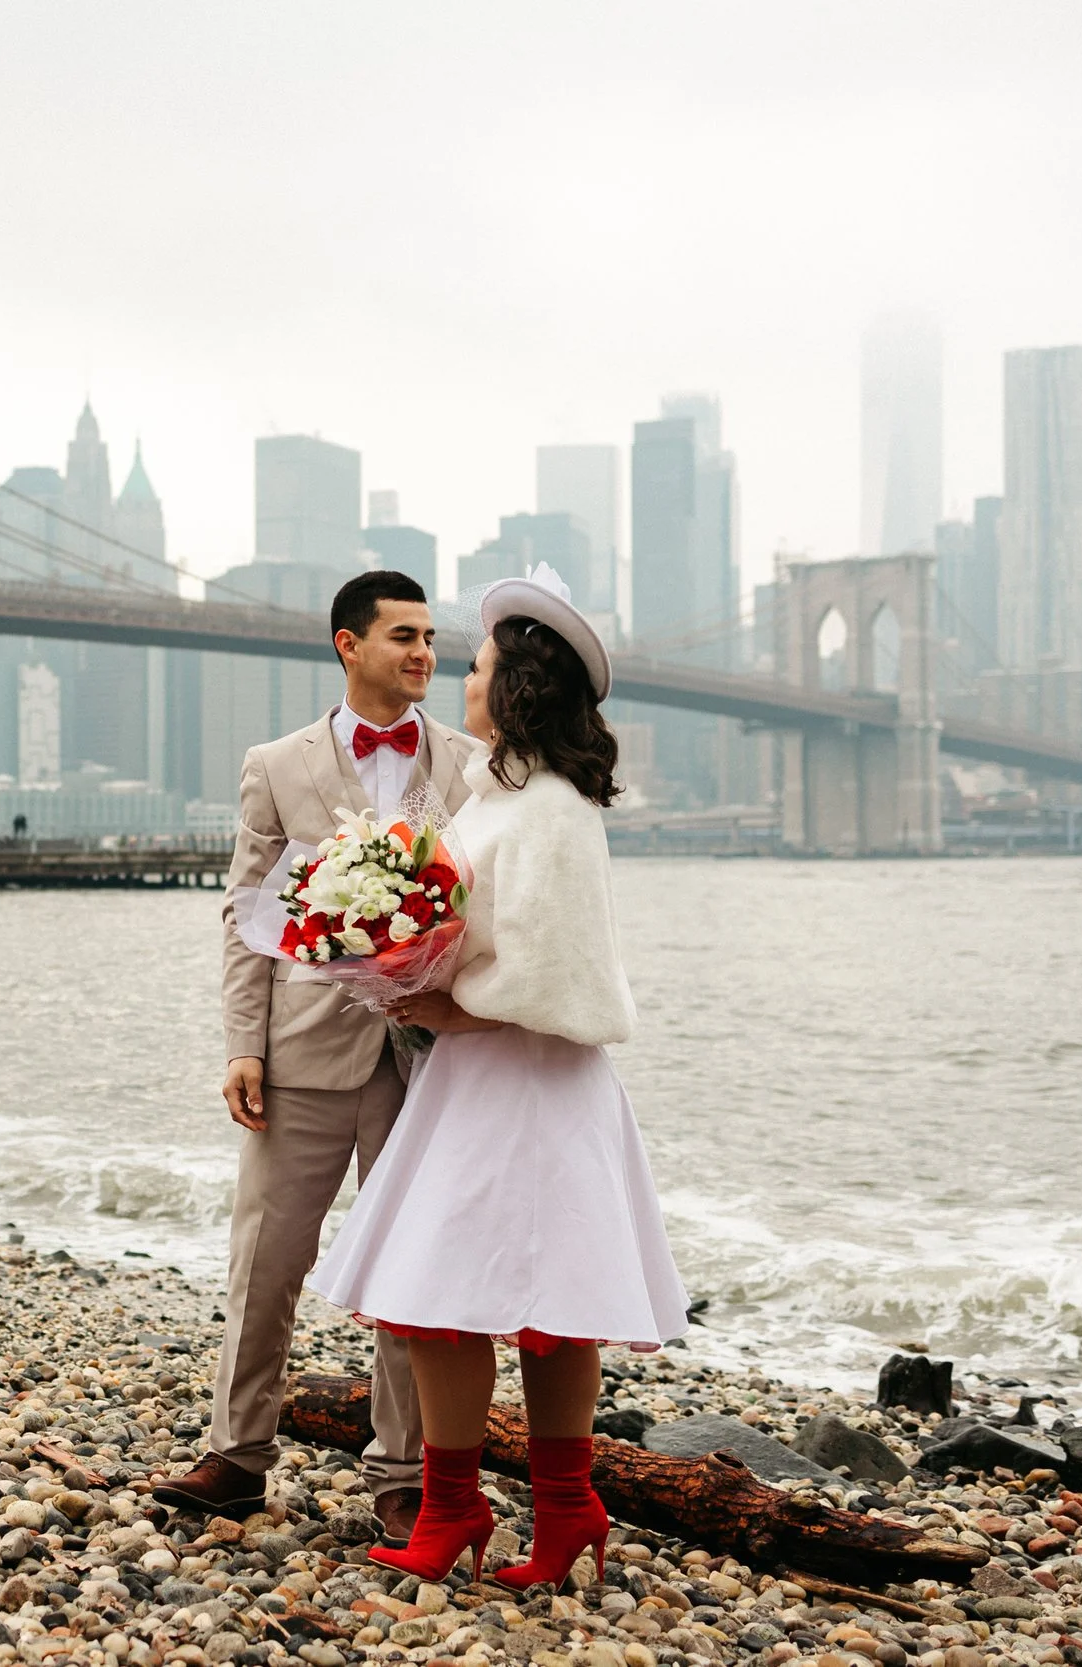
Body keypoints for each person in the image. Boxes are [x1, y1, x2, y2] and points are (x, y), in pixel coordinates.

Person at [308, 566, 688, 1588]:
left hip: (531, 1084)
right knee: (445, 1294)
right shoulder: (501, 800)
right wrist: (398, 964)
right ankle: (473, 1505)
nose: (462, 680)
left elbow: (558, 973)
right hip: (482, 1080)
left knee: (530, 1306)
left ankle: (546, 1508)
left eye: (475, 666)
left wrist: (443, 1003)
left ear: (515, 688)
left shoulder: (550, 810)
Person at [154, 569, 483, 1537]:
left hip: (427, 1058)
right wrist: (241, 1044)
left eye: (430, 637)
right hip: (301, 1047)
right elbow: (245, 912)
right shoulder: (276, 764)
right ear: (349, 644)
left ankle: (402, 1472)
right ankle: (236, 1454)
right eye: (402, 636)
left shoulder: (471, 764)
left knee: (410, 1269)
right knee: (266, 1260)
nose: (424, 653)